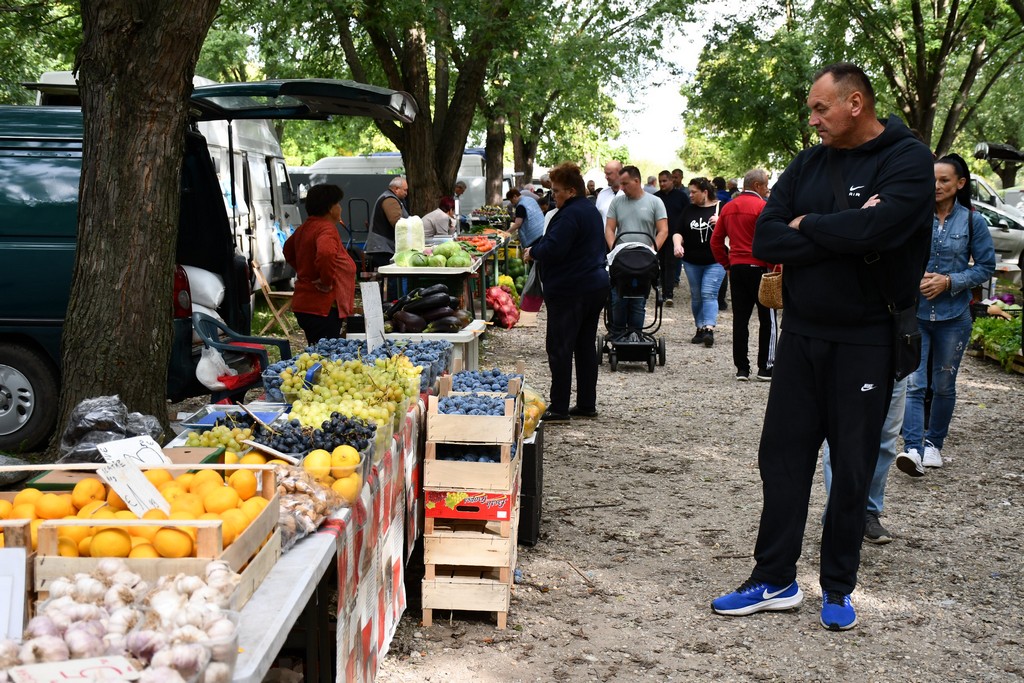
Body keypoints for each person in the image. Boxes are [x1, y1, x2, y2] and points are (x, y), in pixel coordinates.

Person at [711, 63, 934, 631]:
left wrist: (810, 227)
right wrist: (838, 230)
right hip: (801, 336)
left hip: (866, 339)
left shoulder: (906, 159)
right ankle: (775, 579)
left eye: (820, 109)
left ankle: (837, 587)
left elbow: (879, 233)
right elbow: (767, 236)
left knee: (852, 465)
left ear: (855, 103)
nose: (812, 120)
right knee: (781, 458)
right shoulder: (808, 162)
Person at [895, 154, 996, 477]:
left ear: (960, 184)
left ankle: (933, 443)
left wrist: (950, 281)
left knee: (943, 383)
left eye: (944, 181)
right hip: (918, 313)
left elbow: (985, 267)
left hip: (954, 317)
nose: (936, 186)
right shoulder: (915, 217)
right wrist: (915, 277)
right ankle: (912, 447)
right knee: (914, 382)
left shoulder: (972, 222)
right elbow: (897, 256)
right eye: (933, 180)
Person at [524, 162, 609, 423]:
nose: (553, 195)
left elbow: (555, 247)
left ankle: (559, 406)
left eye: (557, 191)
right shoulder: (589, 209)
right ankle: (586, 403)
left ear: (571, 191)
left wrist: (533, 252)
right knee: (584, 346)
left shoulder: (570, 213)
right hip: (594, 285)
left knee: (560, 347)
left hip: (572, 289)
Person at [710, 168, 776, 378]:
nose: (767, 190)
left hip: (737, 267)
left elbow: (716, 241)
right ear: (757, 185)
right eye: (765, 185)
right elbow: (770, 240)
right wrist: (775, 266)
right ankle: (766, 366)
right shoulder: (764, 207)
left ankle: (741, 367)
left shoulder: (729, 207)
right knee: (768, 319)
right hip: (760, 267)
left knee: (740, 319)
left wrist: (727, 264)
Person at [283, 184, 357, 345]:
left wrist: (306, 271)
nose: (340, 208)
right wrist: (325, 280)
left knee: (317, 350)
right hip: (322, 306)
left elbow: (288, 250)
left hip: (306, 304)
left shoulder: (305, 227)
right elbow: (326, 253)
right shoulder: (326, 229)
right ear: (330, 208)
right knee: (325, 356)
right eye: (338, 204)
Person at [605, 165, 668, 339]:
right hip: (622, 256)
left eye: (625, 184)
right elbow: (609, 229)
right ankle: (618, 332)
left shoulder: (655, 202)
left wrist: (652, 250)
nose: (622, 188)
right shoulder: (617, 202)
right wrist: (614, 250)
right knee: (618, 298)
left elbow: (663, 230)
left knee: (638, 299)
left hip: (644, 258)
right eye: (621, 184)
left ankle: (635, 334)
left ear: (637, 181)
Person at [673, 177, 726, 347]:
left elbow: (733, 229)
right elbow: (678, 231)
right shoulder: (689, 210)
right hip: (691, 261)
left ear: (705, 192)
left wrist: (721, 223)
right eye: (690, 192)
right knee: (696, 296)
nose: (690, 195)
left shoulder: (721, 208)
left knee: (708, 293)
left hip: (716, 260)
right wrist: (677, 245)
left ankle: (709, 328)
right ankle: (700, 327)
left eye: (694, 192)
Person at [653, 169, 690, 307]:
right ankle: (662, 291)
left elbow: (687, 215)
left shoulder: (681, 197)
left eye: (665, 181)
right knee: (660, 264)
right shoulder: (655, 197)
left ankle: (668, 294)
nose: (662, 184)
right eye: (660, 181)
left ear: (671, 181)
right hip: (659, 235)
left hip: (675, 235)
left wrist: (684, 235)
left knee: (671, 264)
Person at [364, 176, 409, 270]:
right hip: (384, 249)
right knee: (390, 281)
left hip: (381, 247)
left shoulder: (387, 197)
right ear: (396, 189)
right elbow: (397, 223)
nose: (406, 193)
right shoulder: (390, 199)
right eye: (405, 190)